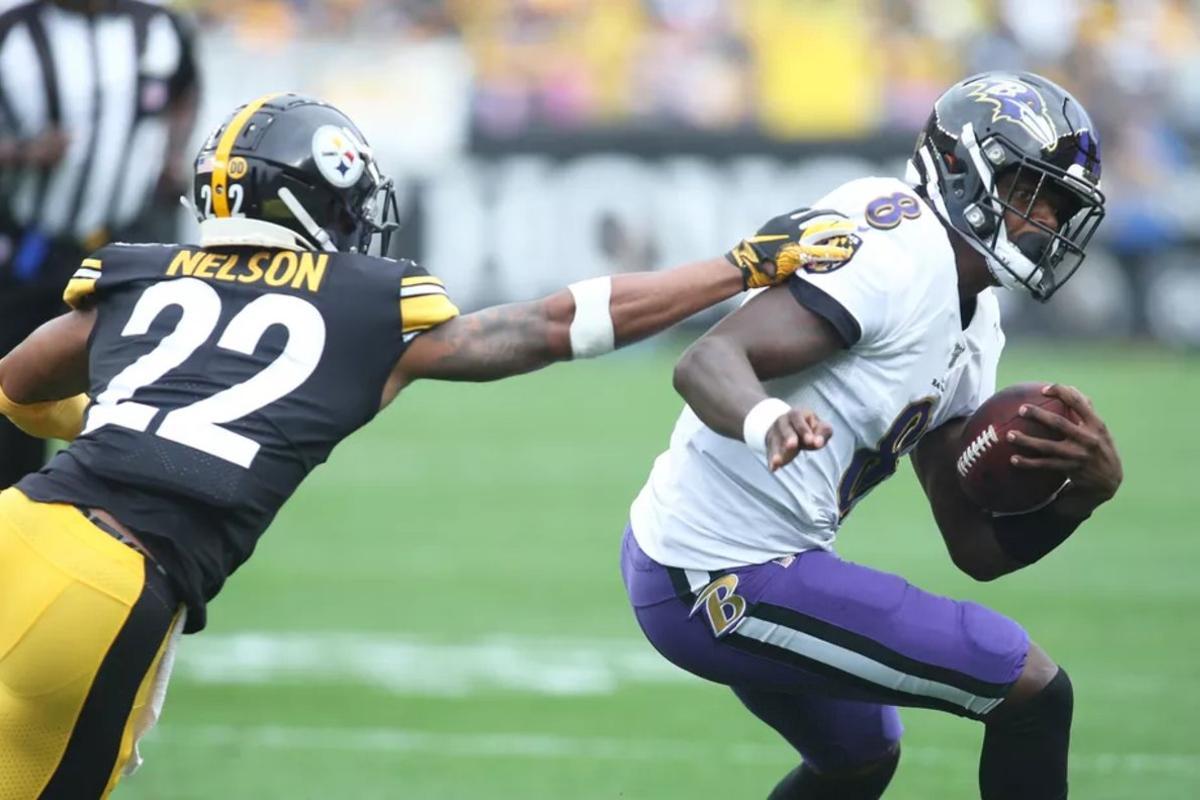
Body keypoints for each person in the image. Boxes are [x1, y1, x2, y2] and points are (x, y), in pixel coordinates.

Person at [0, 92, 852, 799]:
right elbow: (551, 326)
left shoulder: (141, 273)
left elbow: (17, 385)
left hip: (18, 531)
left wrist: (119, 423)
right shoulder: (366, 302)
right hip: (110, 585)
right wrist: (739, 265)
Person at [620, 71, 1122, 800]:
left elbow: (975, 549)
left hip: (741, 556)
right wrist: (767, 418)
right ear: (961, 167)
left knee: (860, 755)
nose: (1041, 219)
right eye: (1026, 191)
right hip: (717, 572)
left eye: (1058, 205)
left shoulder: (977, 322)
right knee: (1034, 694)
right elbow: (708, 360)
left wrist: (1084, 495)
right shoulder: (891, 246)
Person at [0, 0, 199, 488]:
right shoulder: (14, 32)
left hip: (123, 246)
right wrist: (21, 152)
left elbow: (185, 90)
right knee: (12, 397)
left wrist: (172, 153)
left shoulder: (159, 28)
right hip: (30, 247)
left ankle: (112, 523)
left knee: (131, 395)